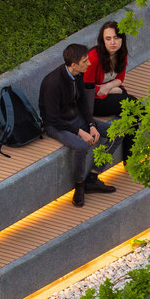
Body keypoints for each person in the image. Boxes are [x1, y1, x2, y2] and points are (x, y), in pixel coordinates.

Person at [38, 42, 115, 208]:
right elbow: (52, 119)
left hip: (77, 118)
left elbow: (82, 102)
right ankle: (79, 185)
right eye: (85, 61)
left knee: (116, 132)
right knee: (81, 146)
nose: (89, 63)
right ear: (74, 65)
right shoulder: (52, 83)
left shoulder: (78, 75)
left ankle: (93, 177)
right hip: (56, 125)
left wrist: (91, 124)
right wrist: (80, 132)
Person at [82, 21, 137, 163]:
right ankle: (132, 154)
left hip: (106, 92)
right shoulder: (94, 58)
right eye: (108, 38)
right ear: (102, 40)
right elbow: (87, 88)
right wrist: (110, 89)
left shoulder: (121, 54)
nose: (113, 42)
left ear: (122, 39)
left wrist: (108, 87)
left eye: (116, 38)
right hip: (92, 102)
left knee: (132, 109)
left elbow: (120, 78)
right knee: (132, 105)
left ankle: (129, 155)